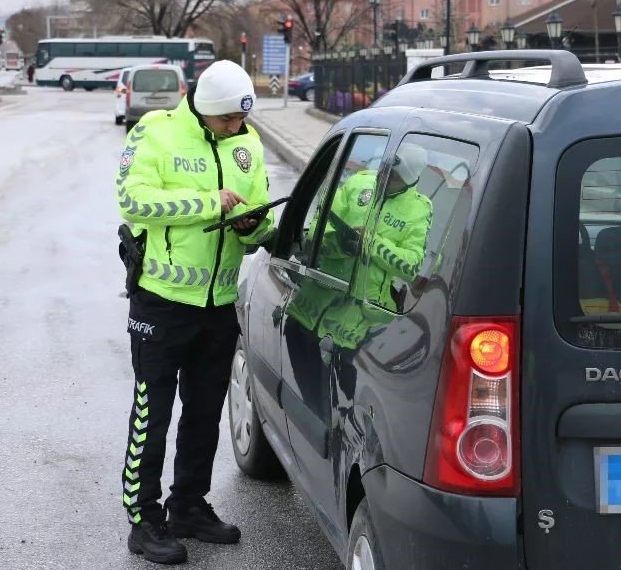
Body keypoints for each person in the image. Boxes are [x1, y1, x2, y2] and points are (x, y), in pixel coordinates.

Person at [115, 59, 274, 565]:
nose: (237, 128)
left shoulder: (247, 144)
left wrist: (252, 225)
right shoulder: (156, 133)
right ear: (205, 110)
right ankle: (144, 519)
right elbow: (133, 201)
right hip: (161, 302)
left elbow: (257, 217)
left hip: (219, 303)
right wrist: (210, 203)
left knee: (205, 411)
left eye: (241, 119)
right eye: (228, 119)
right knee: (152, 412)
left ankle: (188, 505)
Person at [283, 144, 433, 414]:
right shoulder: (358, 184)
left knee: (347, 409)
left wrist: (371, 243)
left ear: (410, 179)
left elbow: (410, 266)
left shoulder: (418, 209)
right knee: (311, 401)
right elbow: (319, 227)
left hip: (358, 324)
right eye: (384, 170)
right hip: (315, 303)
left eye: (394, 176)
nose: (384, 178)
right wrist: (340, 245)